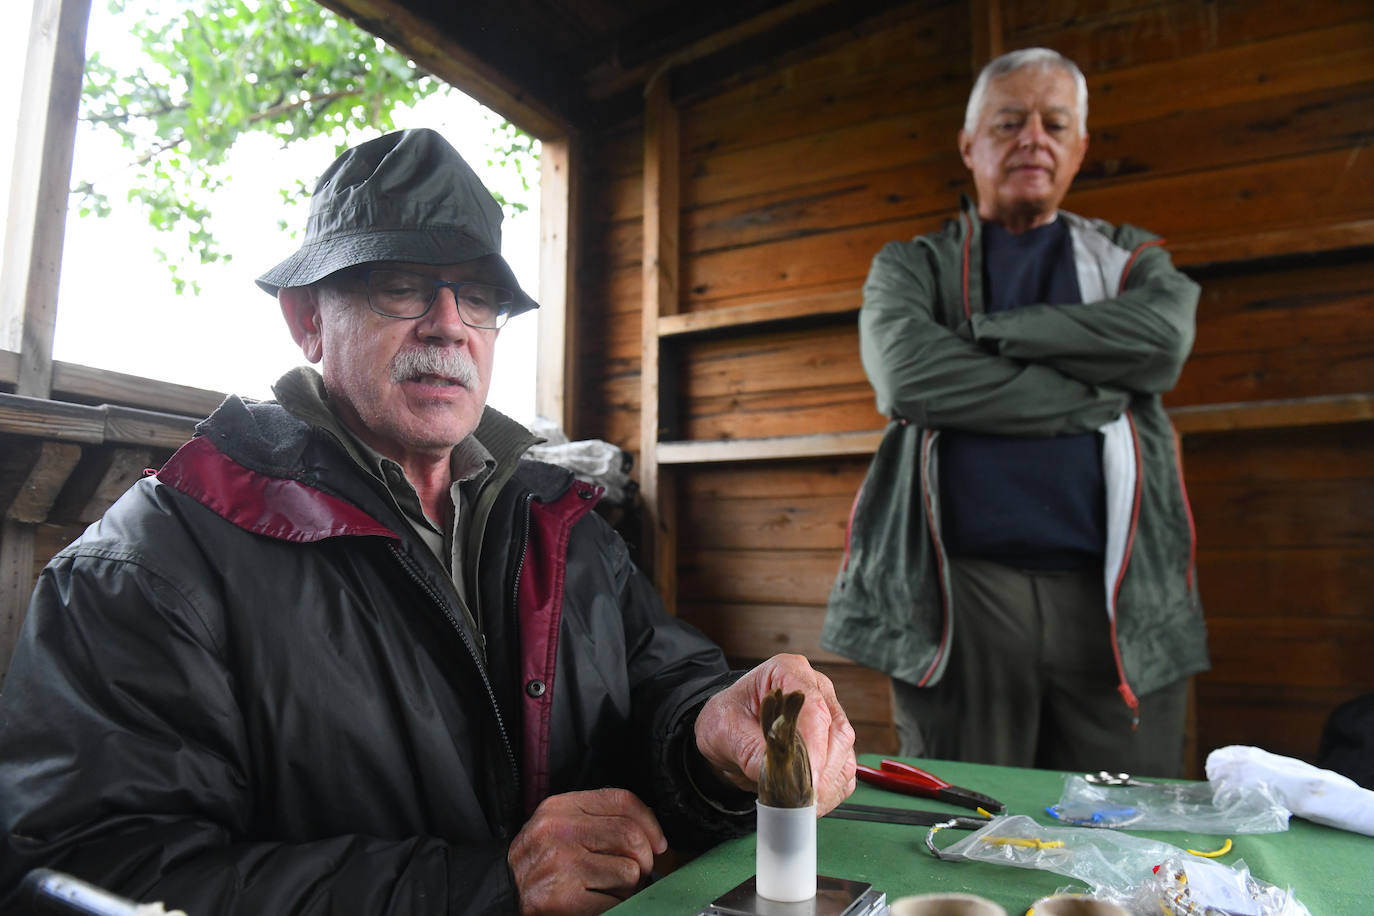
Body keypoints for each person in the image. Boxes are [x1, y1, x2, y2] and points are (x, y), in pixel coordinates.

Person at [0, 128, 856, 914]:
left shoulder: (564, 525)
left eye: (477, 296)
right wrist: (486, 888)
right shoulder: (153, 563)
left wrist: (710, 736)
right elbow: (93, 877)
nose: (449, 325)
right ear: (307, 320)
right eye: (400, 287)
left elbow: (663, 688)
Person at [821, 48, 1207, 777]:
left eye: (1055, 124)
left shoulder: (1130, 260)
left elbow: (1162, 344)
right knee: (966, 819)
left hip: (1118, 602)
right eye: (1009, 122)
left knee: (1123, 825)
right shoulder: (912, 266)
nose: (1034, 138)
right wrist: (1091, 392)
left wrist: (996, 333)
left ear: (1080, 147)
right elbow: (909, 375)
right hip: (960, 599)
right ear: (970, 144)